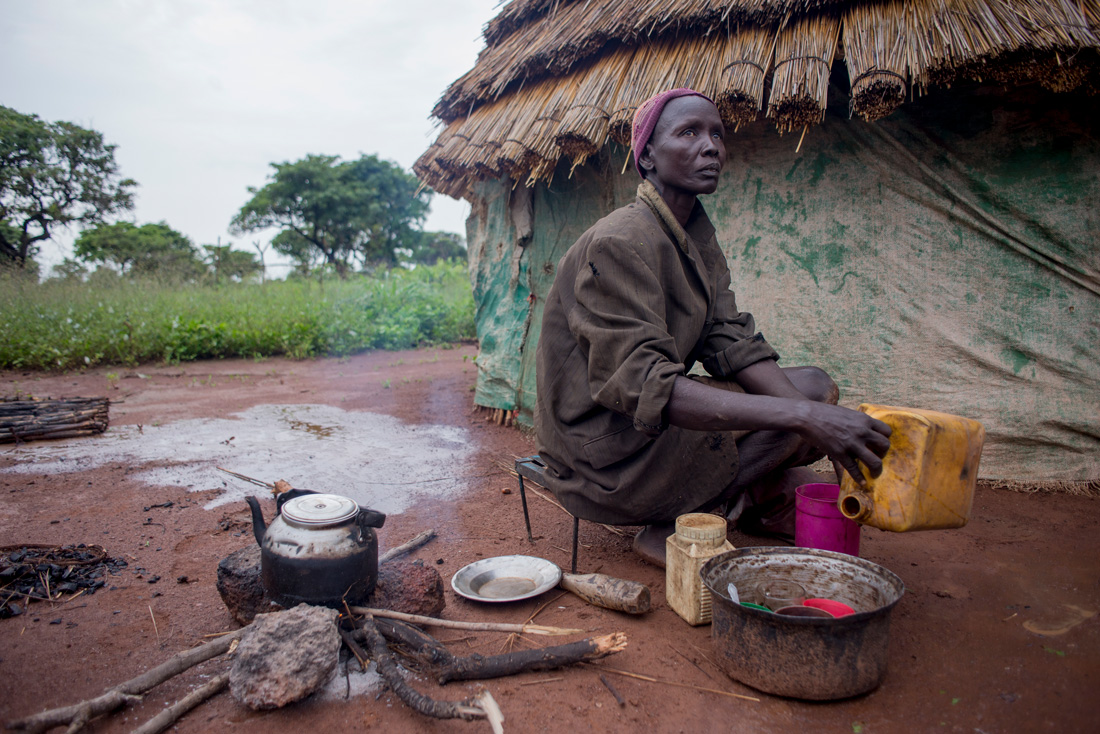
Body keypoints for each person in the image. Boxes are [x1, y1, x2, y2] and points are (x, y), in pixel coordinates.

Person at [534, 88, 892, 567]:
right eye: (689, 133)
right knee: (798, 411)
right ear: (647, 158)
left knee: (812, 389)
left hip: (645, 432)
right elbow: (645, 386)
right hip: (603, 456)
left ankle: (740, 500)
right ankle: (678, 522)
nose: (712, 147)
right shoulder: (619, 242)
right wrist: (802, 419)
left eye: (717, 134)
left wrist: (806, 411)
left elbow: (731, 341)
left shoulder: (693, 237)